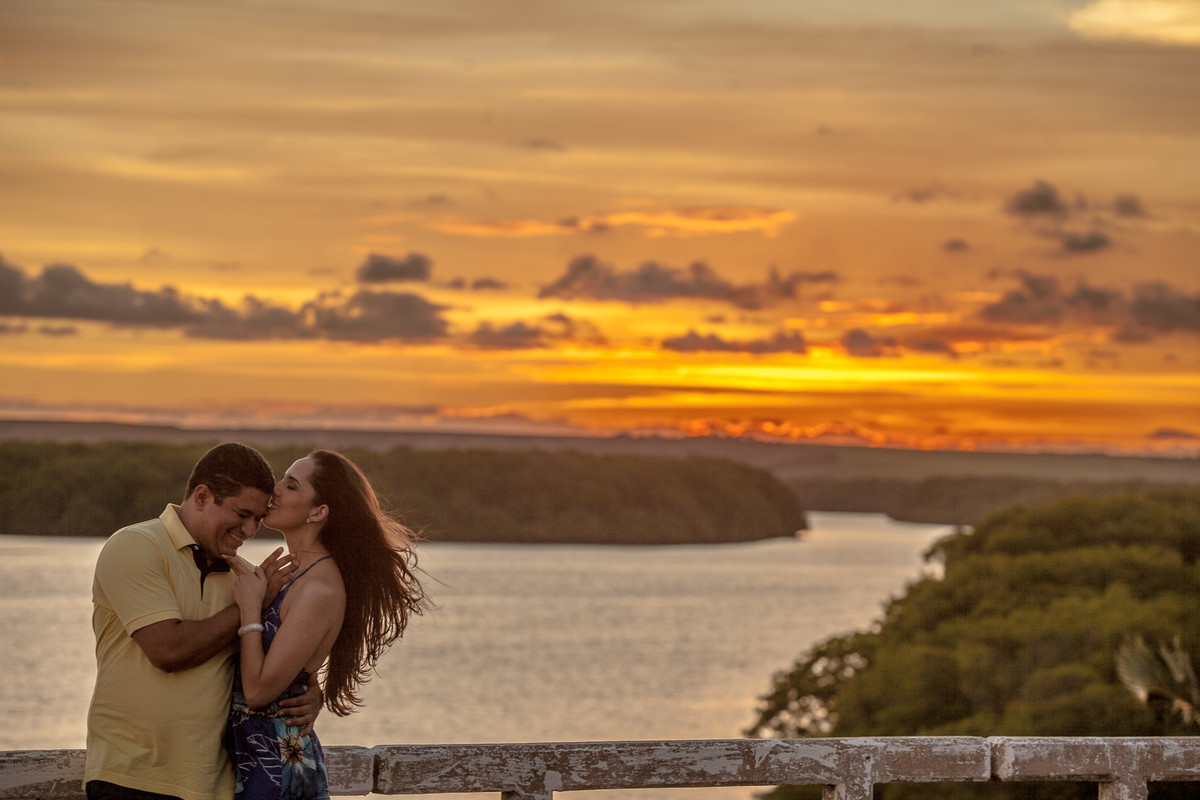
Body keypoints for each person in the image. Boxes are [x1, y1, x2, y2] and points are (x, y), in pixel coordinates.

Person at [85, 443, 322, 800]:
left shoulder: (244, 580)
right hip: (131, 780)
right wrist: (251, 608)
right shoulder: (136, 546)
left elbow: (271, 659)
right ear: (202, 496)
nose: (250, 530)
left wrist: (311, 693)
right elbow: (169, 650)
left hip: (217, 786)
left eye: (258, 518)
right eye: (242, 514)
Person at [224, 449, 427, 800]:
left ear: (318, 512)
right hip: (248, 757)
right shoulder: (291, 573)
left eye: (291, 485)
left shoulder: (319, 588)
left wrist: (249, 610)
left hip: (274, 767)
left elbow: (258, 692)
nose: (274, 489)